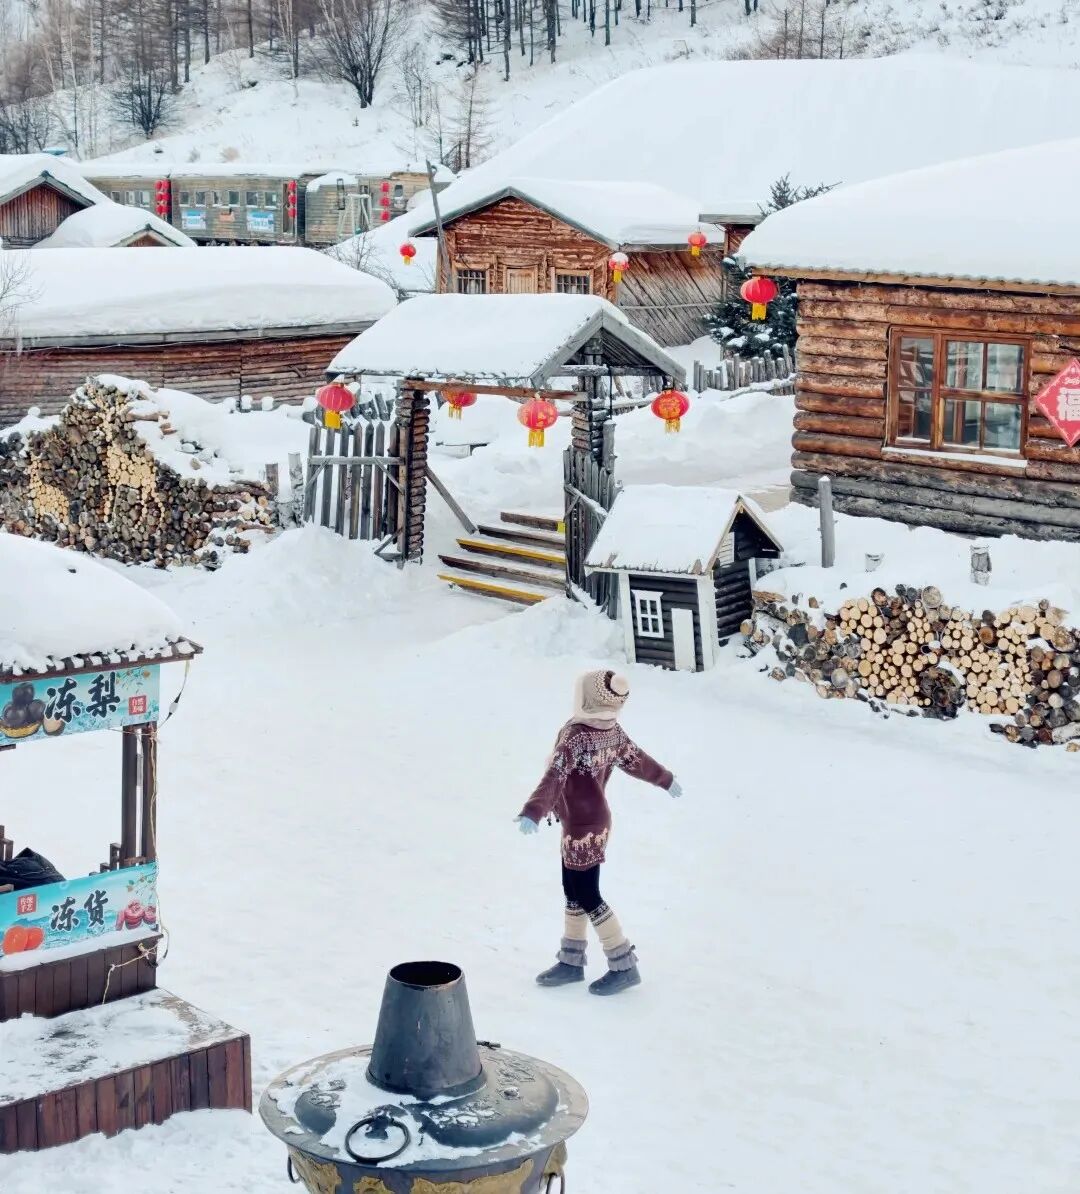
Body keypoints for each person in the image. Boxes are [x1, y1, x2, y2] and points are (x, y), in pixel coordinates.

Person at [516, 669, 680, 996]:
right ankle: (571, 961)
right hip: (586, 821)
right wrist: (665, 779)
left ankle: (623, 965)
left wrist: (534, 809)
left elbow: (555, 775)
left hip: (583, 825)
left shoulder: (577, 735)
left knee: (587, 893)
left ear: (586, 698)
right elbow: (637, 760)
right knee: (573, 889)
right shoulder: (611, 731)